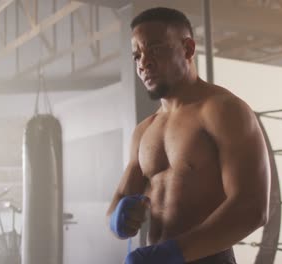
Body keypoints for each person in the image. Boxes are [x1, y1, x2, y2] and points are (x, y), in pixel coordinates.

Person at [107, 7, 270, 264]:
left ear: (188, 49)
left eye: (156, 49)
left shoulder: (223, 110)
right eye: (137, 55)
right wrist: (119, 220)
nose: (143, 63)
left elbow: (253, 208)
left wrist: (171, 254)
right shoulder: (144, 131)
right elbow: (117, 202)